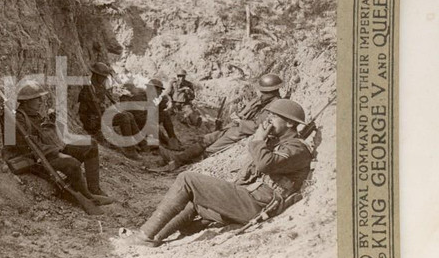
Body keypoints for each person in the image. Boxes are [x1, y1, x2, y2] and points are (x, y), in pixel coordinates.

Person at [119, 99, 312, 247]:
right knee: (196, 202)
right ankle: (153, 237)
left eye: (274, 117)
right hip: (250, 199)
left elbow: (264, 165)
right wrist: (264, 141)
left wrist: (259, 140)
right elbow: (248, 173)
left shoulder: (297, 149)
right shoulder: (279, 144)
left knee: (187, 179)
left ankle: (145, 234)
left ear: (289, 123)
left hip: (257, 205)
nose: (268, 121)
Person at [4, 81, 116, 215]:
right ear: (27, 101)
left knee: (90, 144)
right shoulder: (19, 120)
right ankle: (88, 197)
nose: (40, 101)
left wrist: (53, 122)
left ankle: (94, 189)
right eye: (37, 99)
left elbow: (49, 135)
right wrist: (57, 153)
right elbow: (28, 148)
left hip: (51, 150)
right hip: (38, 159)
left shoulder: (35, 115)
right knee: (72, 163)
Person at [152, 73, 284, 172]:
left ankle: (178, 163)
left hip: (240, 132)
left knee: (211, 149)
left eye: (262, 91)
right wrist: (238, 116)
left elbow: (259, 127)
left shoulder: (275, 105)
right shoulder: (262, 100)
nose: (259, 93)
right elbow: (246, 112)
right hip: (234, 127)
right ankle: (177, 158)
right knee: (206, 139)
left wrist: (240, 122)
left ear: (270, 91)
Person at [77, 62, 141, 160]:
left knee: (128, 115)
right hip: (92, 120)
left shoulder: (99, 87)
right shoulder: (88, 89)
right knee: (124, 118)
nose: (104, 79)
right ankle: (130, 150)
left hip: (100, 115)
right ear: (96, 75)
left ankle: (139, 143)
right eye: (102, 77)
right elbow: (90, 109)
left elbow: (102, 106)